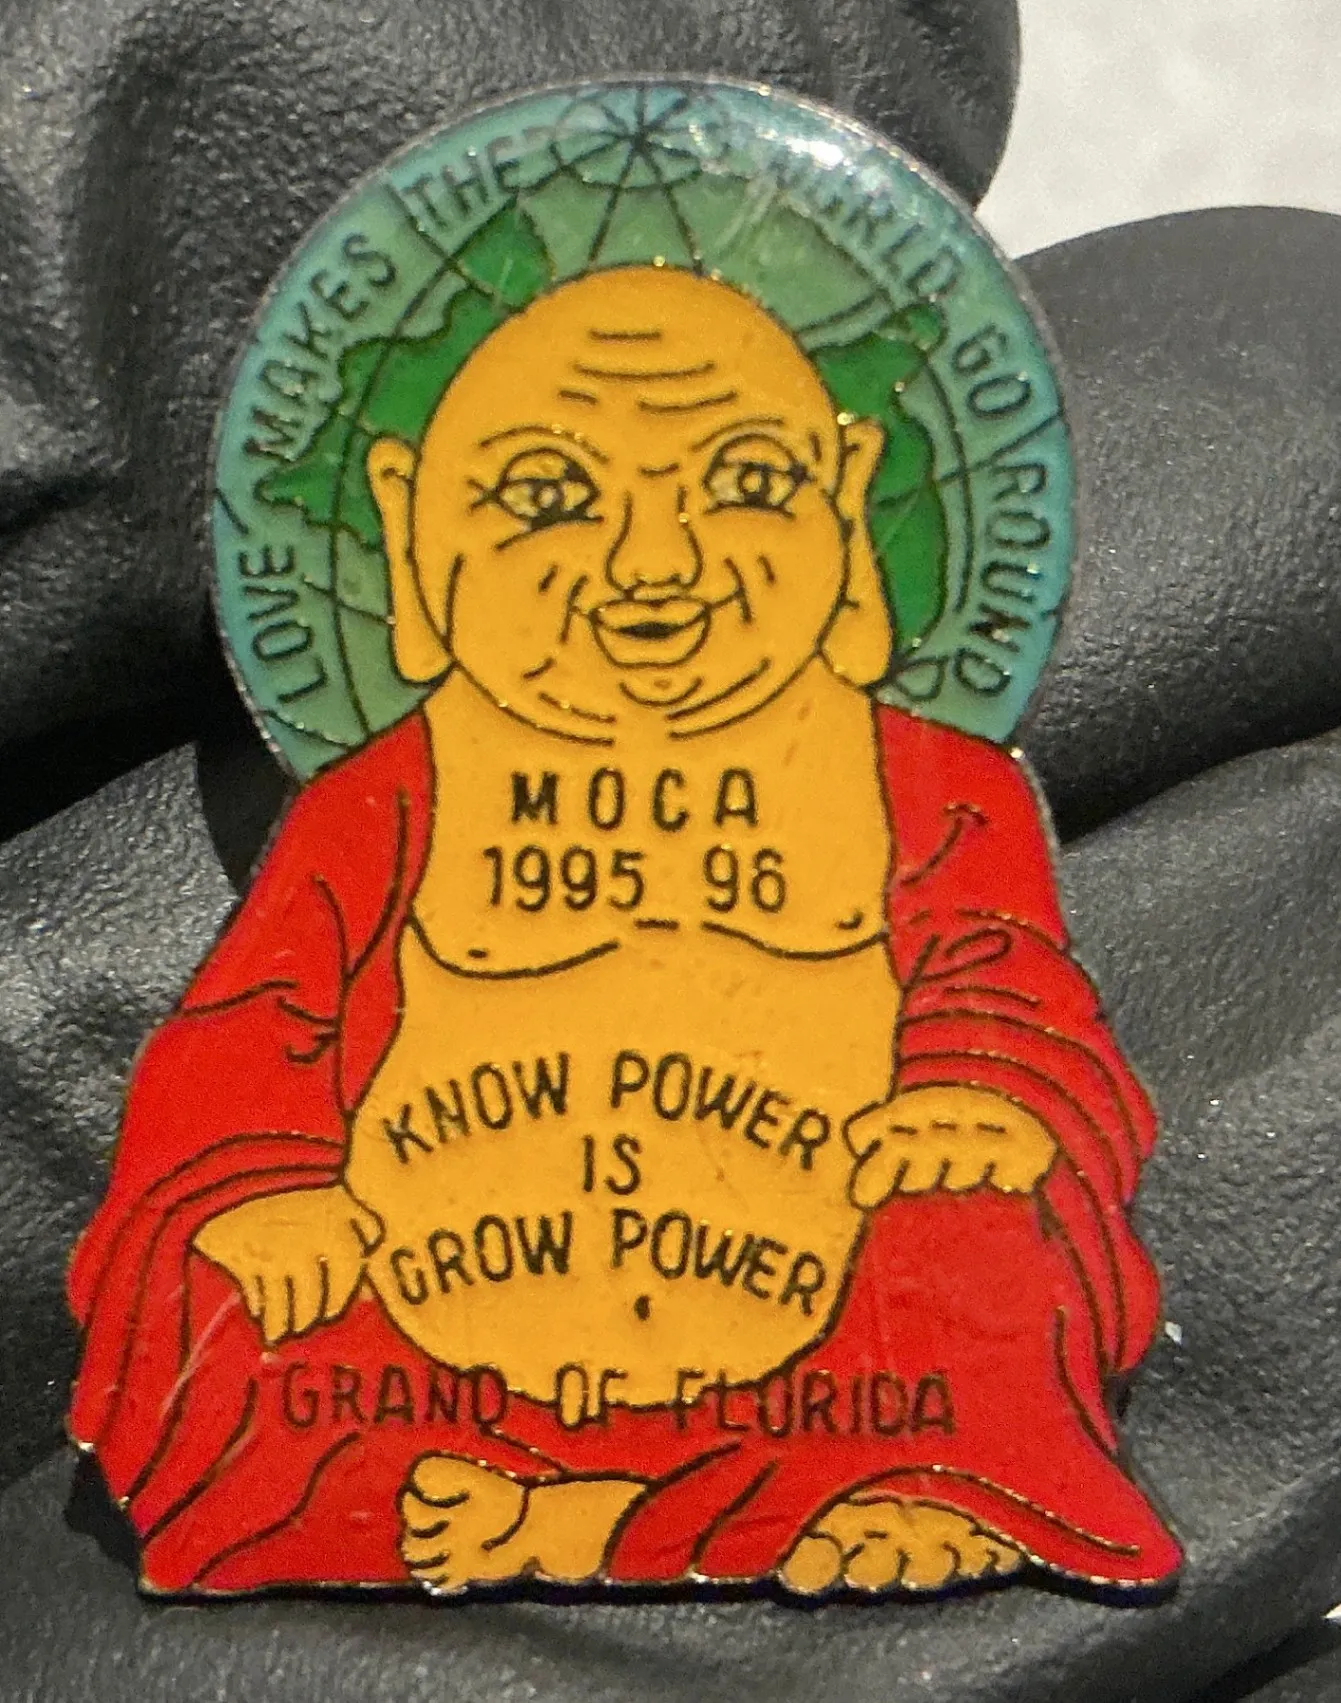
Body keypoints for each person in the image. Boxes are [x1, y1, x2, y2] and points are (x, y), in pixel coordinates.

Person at [67, 265, 1180, 1596]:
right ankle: (710, 1519)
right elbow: (253, 1032)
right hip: (436, 1372)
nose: (658, 565)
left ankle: (705, 1505)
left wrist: (971, 1094)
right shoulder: (385, 799)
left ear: (847, 494)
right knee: (231, 1313)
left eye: (747, 483)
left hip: (832, 1371)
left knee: (987, 1229)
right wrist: (265, 1186)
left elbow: (1006, 986)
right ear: (411, 527)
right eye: (548, 496)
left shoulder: (934, 788)